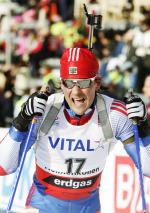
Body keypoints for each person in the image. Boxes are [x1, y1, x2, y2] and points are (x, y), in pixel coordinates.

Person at [0, 47, 150, 213]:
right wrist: (22, 120)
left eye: (84, 82)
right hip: (42, 206)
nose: (76, 92)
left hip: (87, 207)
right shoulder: (44, 111)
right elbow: (3, 167)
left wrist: (144, 126)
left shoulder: (114, 114)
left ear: (97, 83)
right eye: (69, 83)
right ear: (61, 83)